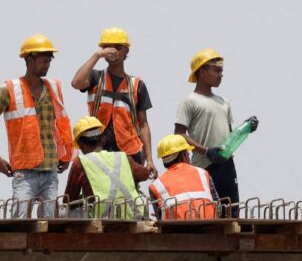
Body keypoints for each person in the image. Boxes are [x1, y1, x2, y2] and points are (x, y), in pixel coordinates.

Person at [0, 34, 74, 218]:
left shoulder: (54, 88)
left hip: (50, 170)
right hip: (24, 172)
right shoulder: (10, 89)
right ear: (29, 60)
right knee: (20, 222)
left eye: (49, 61)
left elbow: (62, 123)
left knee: (49, 224)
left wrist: (66, 155)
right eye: (44, 61)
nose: (47, 65)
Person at [174, 49, 258, 215]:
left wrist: (247, 128)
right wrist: (207, 151)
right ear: (202, 72)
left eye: (221, 71)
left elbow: (230, 135)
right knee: (208, 212)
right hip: (204, 167)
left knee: (231, 211)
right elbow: (179, 135)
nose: (221, 75)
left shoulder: (224, 102)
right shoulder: (189, 102)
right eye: (217, 70)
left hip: (226, 164)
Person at [71, 27, 157, 178]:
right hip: (99, 152)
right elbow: (76, 83)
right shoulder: (95, 78)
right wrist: (97, 55)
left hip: (129, 153)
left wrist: (149, 159)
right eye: (108, 47)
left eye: (117, 47)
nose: (112, 51)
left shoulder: (137, 85)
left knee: (128, 191)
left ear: (126, 51)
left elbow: (143, 124)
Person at [64, 116, 149, 219]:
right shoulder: (123, 157)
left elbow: (68, 201)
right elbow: (145, 174)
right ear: (103, 140)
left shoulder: (80, 163)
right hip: (135, 215)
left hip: (101, 218)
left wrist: (85, 198)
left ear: (81, 145)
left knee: (66, 213)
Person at [149, 134, 220, 220]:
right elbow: (218, 209)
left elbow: (160, 217)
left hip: (176, 228)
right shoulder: (203, 174)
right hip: (210, 225)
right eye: (187, 153)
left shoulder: (156, 185)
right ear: (184, 155)